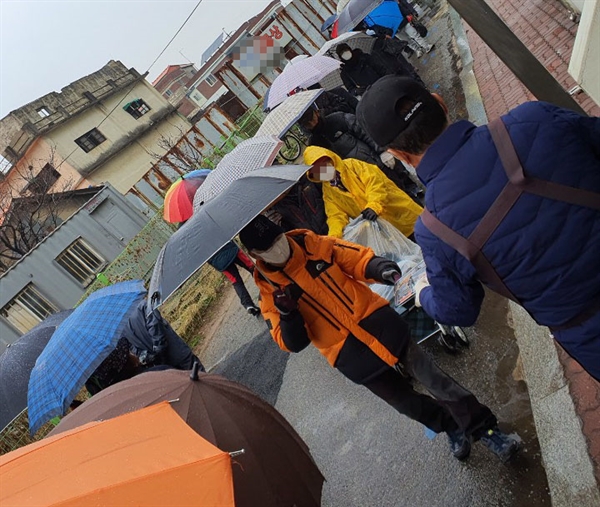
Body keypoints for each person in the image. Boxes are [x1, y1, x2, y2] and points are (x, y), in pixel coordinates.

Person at [357, 75, 600, 381]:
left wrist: (422, 294)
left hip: (588, 330)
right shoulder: (534, 117)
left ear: (399, 155)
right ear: (440, 103)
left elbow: (459, 310)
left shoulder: (434, 229)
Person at [238, 215, 520, 461]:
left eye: (278, 238)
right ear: (255, 254)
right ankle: (451, 426)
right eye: (268, 248)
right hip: (350, 355)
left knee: (436, 380)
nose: (279, 248)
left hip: (380, 325)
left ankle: (487, 430)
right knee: (405, 403)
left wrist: (380, 268)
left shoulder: (316, 245)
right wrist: (288, 315)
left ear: (280, 230)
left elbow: (357, 258)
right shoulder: (269, 295)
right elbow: (291, 343)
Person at [303, 146, 423, 239]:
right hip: (387, 232)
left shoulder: (353, 166)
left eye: (324, 165)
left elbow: (375, 183)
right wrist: (334, 237)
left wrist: (374, 206)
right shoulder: (328, 191)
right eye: (318, 170)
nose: (323, 171)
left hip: (402, 214)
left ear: (331, 159)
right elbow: (335, 215)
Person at [298, 106, 419, 195]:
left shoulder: (339, 119)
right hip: (359, 182)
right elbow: (327, 173)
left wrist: (382, 151)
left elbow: (366, 132)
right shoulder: (314, 145)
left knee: (400, 189)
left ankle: (411, 188)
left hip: (375, 163)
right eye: (308, 124)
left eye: (312, 118)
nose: (313, 123)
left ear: (316, 112)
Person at [124, 299, 205, 371]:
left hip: (158, 363)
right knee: (196, 370)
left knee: (181, 382)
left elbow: (132, 349)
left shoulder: (119, 329)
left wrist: (148, 356)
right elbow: (155, 326)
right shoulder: (142, 305)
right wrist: (159, 350)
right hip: (173, 348)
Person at [208, 241, 260, 316]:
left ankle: (248, 304)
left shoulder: (192, 242)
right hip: (231, 249)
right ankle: (269, 286)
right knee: (251, 267)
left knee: (236, 281)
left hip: (219, 262)